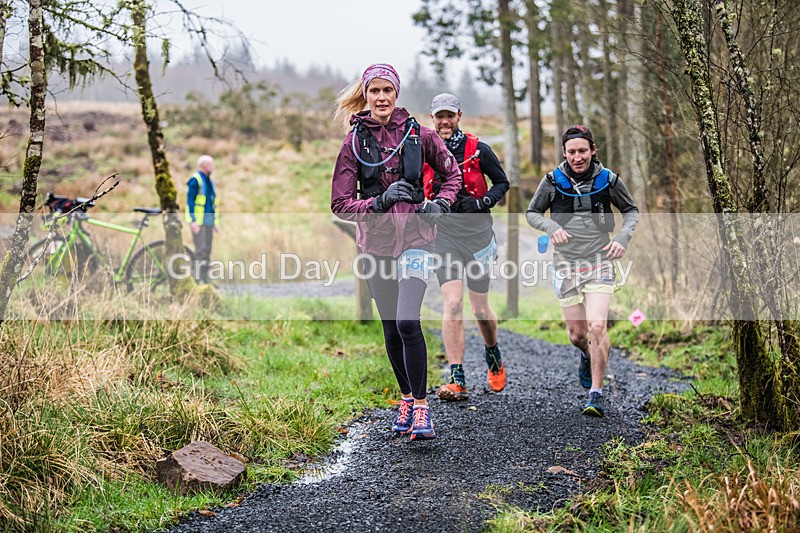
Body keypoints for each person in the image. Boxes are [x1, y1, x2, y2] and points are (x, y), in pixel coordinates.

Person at [331, 64, 461, 440]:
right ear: (366, 95)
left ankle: (422, 407)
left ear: (397, 94)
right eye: (375, 91)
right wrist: (378, 201)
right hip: (376, 245)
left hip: (418, 238)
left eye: (388, 90)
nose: (382, 97)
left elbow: (451, 175)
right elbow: (340, 204)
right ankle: (405, 397)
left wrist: (441, 204)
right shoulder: (354, 143)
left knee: (407, 321)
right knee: (390, 327)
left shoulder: (419, 135)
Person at [526, 125, 639, 417]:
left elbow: (631, 211)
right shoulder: (553, 181)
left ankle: (596, 393)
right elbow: (532, 213)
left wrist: (622, 239)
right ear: (564, 153)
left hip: (600, 260)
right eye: (572, 151)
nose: (578, 157)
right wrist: (552, 227)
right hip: (565, 264)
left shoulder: (608, 179)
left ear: (593, 150)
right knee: (577, 334)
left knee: (597, 326)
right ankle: (587, 355)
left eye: (583, 151)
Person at [423, 93, 510, 401]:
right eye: (439, 116)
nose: (444, 121)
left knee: (480, 308)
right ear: (432, 118)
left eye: (450, 115)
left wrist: (481, 202)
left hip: (477, 235)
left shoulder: (478, 149)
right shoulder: (424, 150)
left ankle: (492, 352)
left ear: (458, 116)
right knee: (453, 303)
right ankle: (457, 376)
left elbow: (502, 183)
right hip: (443, 235)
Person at [186, 155, 219, 284]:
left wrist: (215, 223)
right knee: (200, 250)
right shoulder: (196, 179)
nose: (213, 166)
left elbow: (212, 203)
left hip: (208, 221)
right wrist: (193, 221)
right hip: (199, 221)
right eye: (210, 164)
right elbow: (190, 202)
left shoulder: (209, 181)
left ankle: (206, 280)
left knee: (207, 251)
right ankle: (197, 279)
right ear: (203, 165)